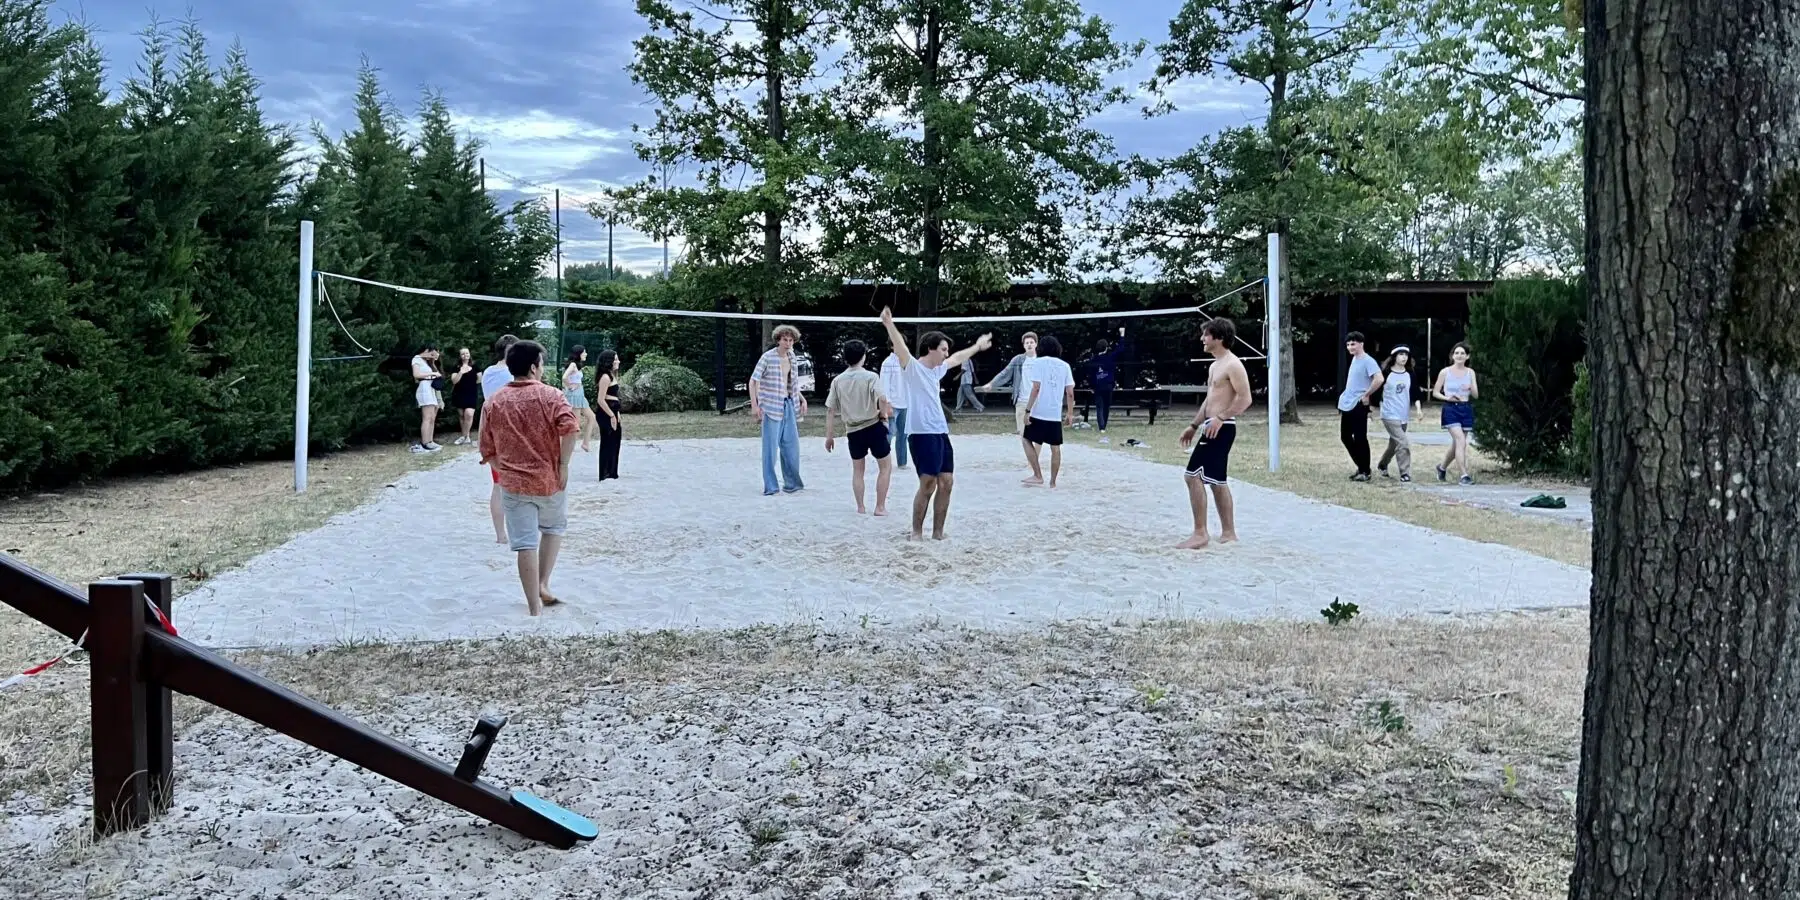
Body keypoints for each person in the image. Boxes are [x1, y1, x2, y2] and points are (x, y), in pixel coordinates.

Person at [476, 339, 579, 616]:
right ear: (534, 367)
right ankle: (543, 583)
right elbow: (570, 428)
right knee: (553, 528)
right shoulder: (552, 396)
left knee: (524, 544)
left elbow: (486, 447)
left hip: (514, 484)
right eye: (542, 364)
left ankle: (534, 607)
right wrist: (564, 464)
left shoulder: (494, 401)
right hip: (550, 478)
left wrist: (505, 467)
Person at [879, 306, 991, 540]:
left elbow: (958, 357)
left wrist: (977, 347)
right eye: (942, 349)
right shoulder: (913, 368)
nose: (945, 353)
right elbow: (901, 348)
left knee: (947, 481)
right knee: (928, 483)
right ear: (930, 349)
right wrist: (889, 324)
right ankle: (916, 532)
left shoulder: (937, 371)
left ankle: (938, 533)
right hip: (920, 434)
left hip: (940, 432)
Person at [1176, 318, 1253, 549]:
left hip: (1222, 428)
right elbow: (1211, 400)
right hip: (1211, 425)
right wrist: (1193, 425)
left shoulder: (1233, 364)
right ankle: (1229, 533)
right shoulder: (1215, 365)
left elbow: (1245, 398)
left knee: (1192, 476)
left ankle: (1200, 533)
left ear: (1218, 337)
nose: (1202, 339)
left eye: (1206, 335)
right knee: (1217, 481)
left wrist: (1221, 418)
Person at [823, 340, 895, 515]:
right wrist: (884, 416)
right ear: (864, 356)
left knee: (858, 471)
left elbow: (831, 410)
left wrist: (829, 436)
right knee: (885, 467)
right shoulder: (871, 377)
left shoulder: (838, 381)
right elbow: (883, 399)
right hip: (873, 426)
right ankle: (880, 507)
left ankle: (861, 507)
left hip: (853, 430)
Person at [749, 324, 808, 495]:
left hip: (789, 404)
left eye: (790, 340)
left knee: (791, 447)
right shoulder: (767, 357)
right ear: (778, 340)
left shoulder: (792, 357)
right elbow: (753, 381)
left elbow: (792, 383)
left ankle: (792, 484)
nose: (788, 343)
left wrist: (802, 399)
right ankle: (771, 486)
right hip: (771, 405)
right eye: (785, 340)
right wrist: (755, 405)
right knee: (770, 449)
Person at [480, 334, 521, 543]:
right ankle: (514, 532)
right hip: (511, 433)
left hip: (492, 431)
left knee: (498, 485)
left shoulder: (488, 372)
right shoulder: (512, 374)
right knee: (515, 485)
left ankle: (501, 535)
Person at [977, 332, 1039, 469]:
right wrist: (991, 384)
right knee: (1024, 435)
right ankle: (1032, 461)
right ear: (1023, 345)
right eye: (1026, 342)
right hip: (1022, 401)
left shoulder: (1041, 360)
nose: (1029, 344)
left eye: (1031, 342)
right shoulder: (1018, 360)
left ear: (1036, 344)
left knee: (1038, 436)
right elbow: (1005, 373)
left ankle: (1034, 463)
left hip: (1039, 402)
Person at [1019, 335, 1075, 487]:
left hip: (1039, 412)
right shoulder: (1065, 366)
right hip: (1054, 414)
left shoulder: (1038, 363)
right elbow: (1070, 393)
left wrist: (1027, 410)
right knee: (1055, 448)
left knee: (1026, 439)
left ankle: (1038, 475)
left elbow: (1036, 388)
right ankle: (1053, 482)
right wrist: (1070, 413)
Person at [1337, 331, 1384, 481]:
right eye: (1348, 344)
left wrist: (1366, 395)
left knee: (1360, 438)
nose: (1350, 347)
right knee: (1345, 436)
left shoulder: (1368, 360)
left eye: (1353, 344)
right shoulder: (1355, 359)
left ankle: (1365, 471)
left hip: (1358, 404)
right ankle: (1362, 467)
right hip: (1348, 404)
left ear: (1361, 344)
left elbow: (1379, 379)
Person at [1432, 341, 1480, 485]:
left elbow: (1476, 395)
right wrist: (1448, 397)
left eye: (1462, 353)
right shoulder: (1445, 372)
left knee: (1457, 444)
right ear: (1452, 356)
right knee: (1461, 441)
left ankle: (1441, 468)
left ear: (1467, 356)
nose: (1459, 356)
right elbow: (1435, 392)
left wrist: (1470, 386)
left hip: (1465, 408)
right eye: (1456, 353)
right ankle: (1464, 475)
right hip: (1451, 408)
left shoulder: (1470, 372)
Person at [1376, 345, 1415, 482]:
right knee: (1403, 442)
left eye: (1406, 354)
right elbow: (1376, 390)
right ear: (1394, 357)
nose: (1404, 357)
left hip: (1403, 414)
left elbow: (1415, 393)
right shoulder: (1386, 373)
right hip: (1389, 414)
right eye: (1401, 354)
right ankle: (1404, 473)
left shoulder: (1410, 374)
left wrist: (1419, 409)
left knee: (1394, 444)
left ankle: (1382, 464)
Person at [1091, 326, 1128, 444]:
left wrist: (1092, 386)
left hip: (1098, 387)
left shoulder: (1094, 360)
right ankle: (1103, 426)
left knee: (1099, 407)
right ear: (1106, 348)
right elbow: (1120, 349)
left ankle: (1102, 427)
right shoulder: (1110, 357)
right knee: (1106, 406)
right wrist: (1122, 335)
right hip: (1108, 386)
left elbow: (1090, 374)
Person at [410, 342, 444, 453]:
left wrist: (433, 362)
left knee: (433, 416)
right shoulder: (417, 359)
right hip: (424, 388)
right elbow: (416, 375)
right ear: (427, 350)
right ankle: (425, 442)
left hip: (431, 389)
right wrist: (432, 375)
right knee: (427, 417)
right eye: (432, 352)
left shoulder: (427, 361)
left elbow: (437, 372)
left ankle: (430, 441)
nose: (433, 354)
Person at [594, 349, 623, 481]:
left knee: (615, 440)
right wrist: (611, 415)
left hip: (613, 410)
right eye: (615, 359)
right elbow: (601, 399)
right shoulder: (605, 377)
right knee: (608, 441)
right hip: (606, 412)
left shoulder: (612, 375)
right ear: (609, 361)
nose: (618, 361)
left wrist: (617, 413)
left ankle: (612, 471)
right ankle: (605, 472)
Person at [880, 349, 910, 469]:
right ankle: (884, 462)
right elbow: (884, 384)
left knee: (903, 435)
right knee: (889, 433)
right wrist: (887, 404)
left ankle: (902, 462)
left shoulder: (906, 362)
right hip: (892, 403)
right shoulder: (888, 362)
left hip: (905, 403)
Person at [563, 346, 594, 453]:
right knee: (575, 424)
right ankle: (568, 447)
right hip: (575, 396)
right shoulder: (573, 364)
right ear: (579, 353)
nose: (586, 354)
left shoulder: (577, 365)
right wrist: (570, 386)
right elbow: (564, 377)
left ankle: (585, 443)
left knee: (591, 417)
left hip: (580, 396)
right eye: (584, 352)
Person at [448, 347, 481, 446]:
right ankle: (467, 437)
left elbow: (479, 379)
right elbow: (454, 381)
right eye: (463, 354)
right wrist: (461, 372)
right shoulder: (456, 367)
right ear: (460, 356)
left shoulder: (475, 366)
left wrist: (470, 385)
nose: (465, 355)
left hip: (471, 393)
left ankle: (463, 436)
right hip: (459, 393)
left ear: (469, 354)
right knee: (462, 416)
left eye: (467, 353)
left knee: (469, 414)